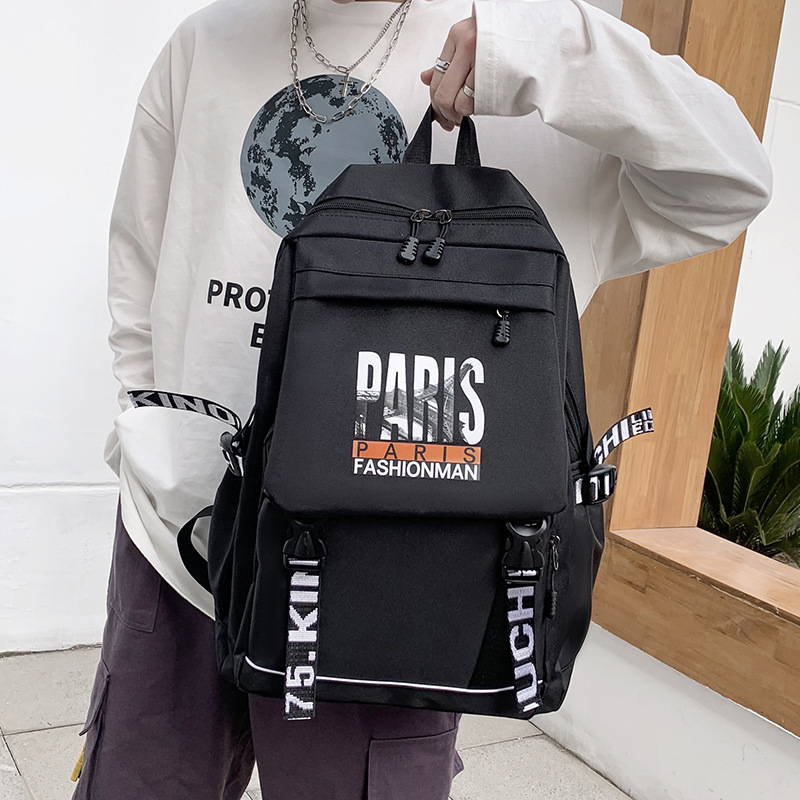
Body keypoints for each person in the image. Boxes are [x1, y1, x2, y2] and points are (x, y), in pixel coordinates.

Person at [73, 0, 772, 798]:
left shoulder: (527, 65)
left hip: (398, 579)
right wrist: (151, 432)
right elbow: (139, 261)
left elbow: (733, 177)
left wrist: (546, 52)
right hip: (181, 540)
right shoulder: (208, 41)